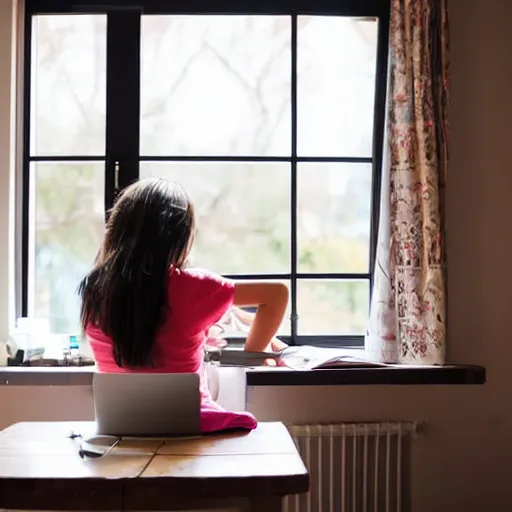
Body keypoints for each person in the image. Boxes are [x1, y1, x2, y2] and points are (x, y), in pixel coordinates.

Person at [79, 178, 289, 433]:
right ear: (178, 236)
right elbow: (277, 294)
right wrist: (253, 353)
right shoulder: (194, 287)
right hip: (188, 424)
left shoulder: (94, 288)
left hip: (118, 427)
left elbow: (147, 321)